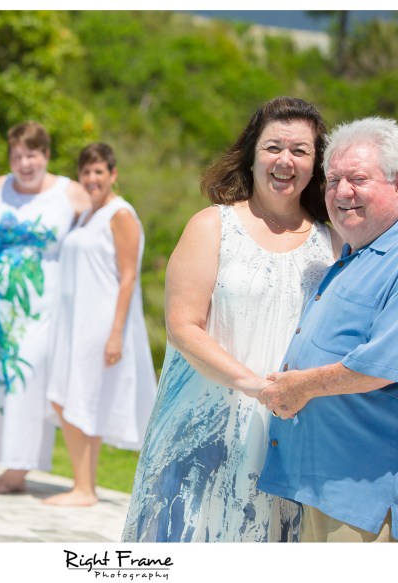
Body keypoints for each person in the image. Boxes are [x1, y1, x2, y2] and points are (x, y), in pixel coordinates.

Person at [122, 96, 340, 542]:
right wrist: (255, 386)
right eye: (273, 147)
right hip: (201, 425)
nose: (285, 160)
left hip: (286, 434)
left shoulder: (332, 245)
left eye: (300, 151)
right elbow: (182, 327)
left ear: (316, 164)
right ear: (251, 153)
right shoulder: (212, 225)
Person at [257, 117, 398, 543]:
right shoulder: (361, 251)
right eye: (333, 180)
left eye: (358, 179)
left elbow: (384, 366)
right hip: (328, 488)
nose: (341, 192)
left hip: (371, 502)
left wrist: (300, 387)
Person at [0, 121, 91, 494]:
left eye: (31, 154)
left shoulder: (69, 192)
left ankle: (19, 468)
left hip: (43, 304)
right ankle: (6, 459)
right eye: (16, 155)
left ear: (45, 155)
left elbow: (100, 230)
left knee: (27, 376)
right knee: (1, 378)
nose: (24, 163)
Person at [44, 143, 157, 507]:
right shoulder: (86, 215)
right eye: (86, 172)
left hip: (101, 322)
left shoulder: (120, 215)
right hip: (74, 320)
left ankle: (83, 489)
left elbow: (128, 278)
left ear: (113, 174)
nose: (92, 179)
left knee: (77, 396)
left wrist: (115, 334)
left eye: (99, 172)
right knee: (71, 397)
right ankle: (84, 485)